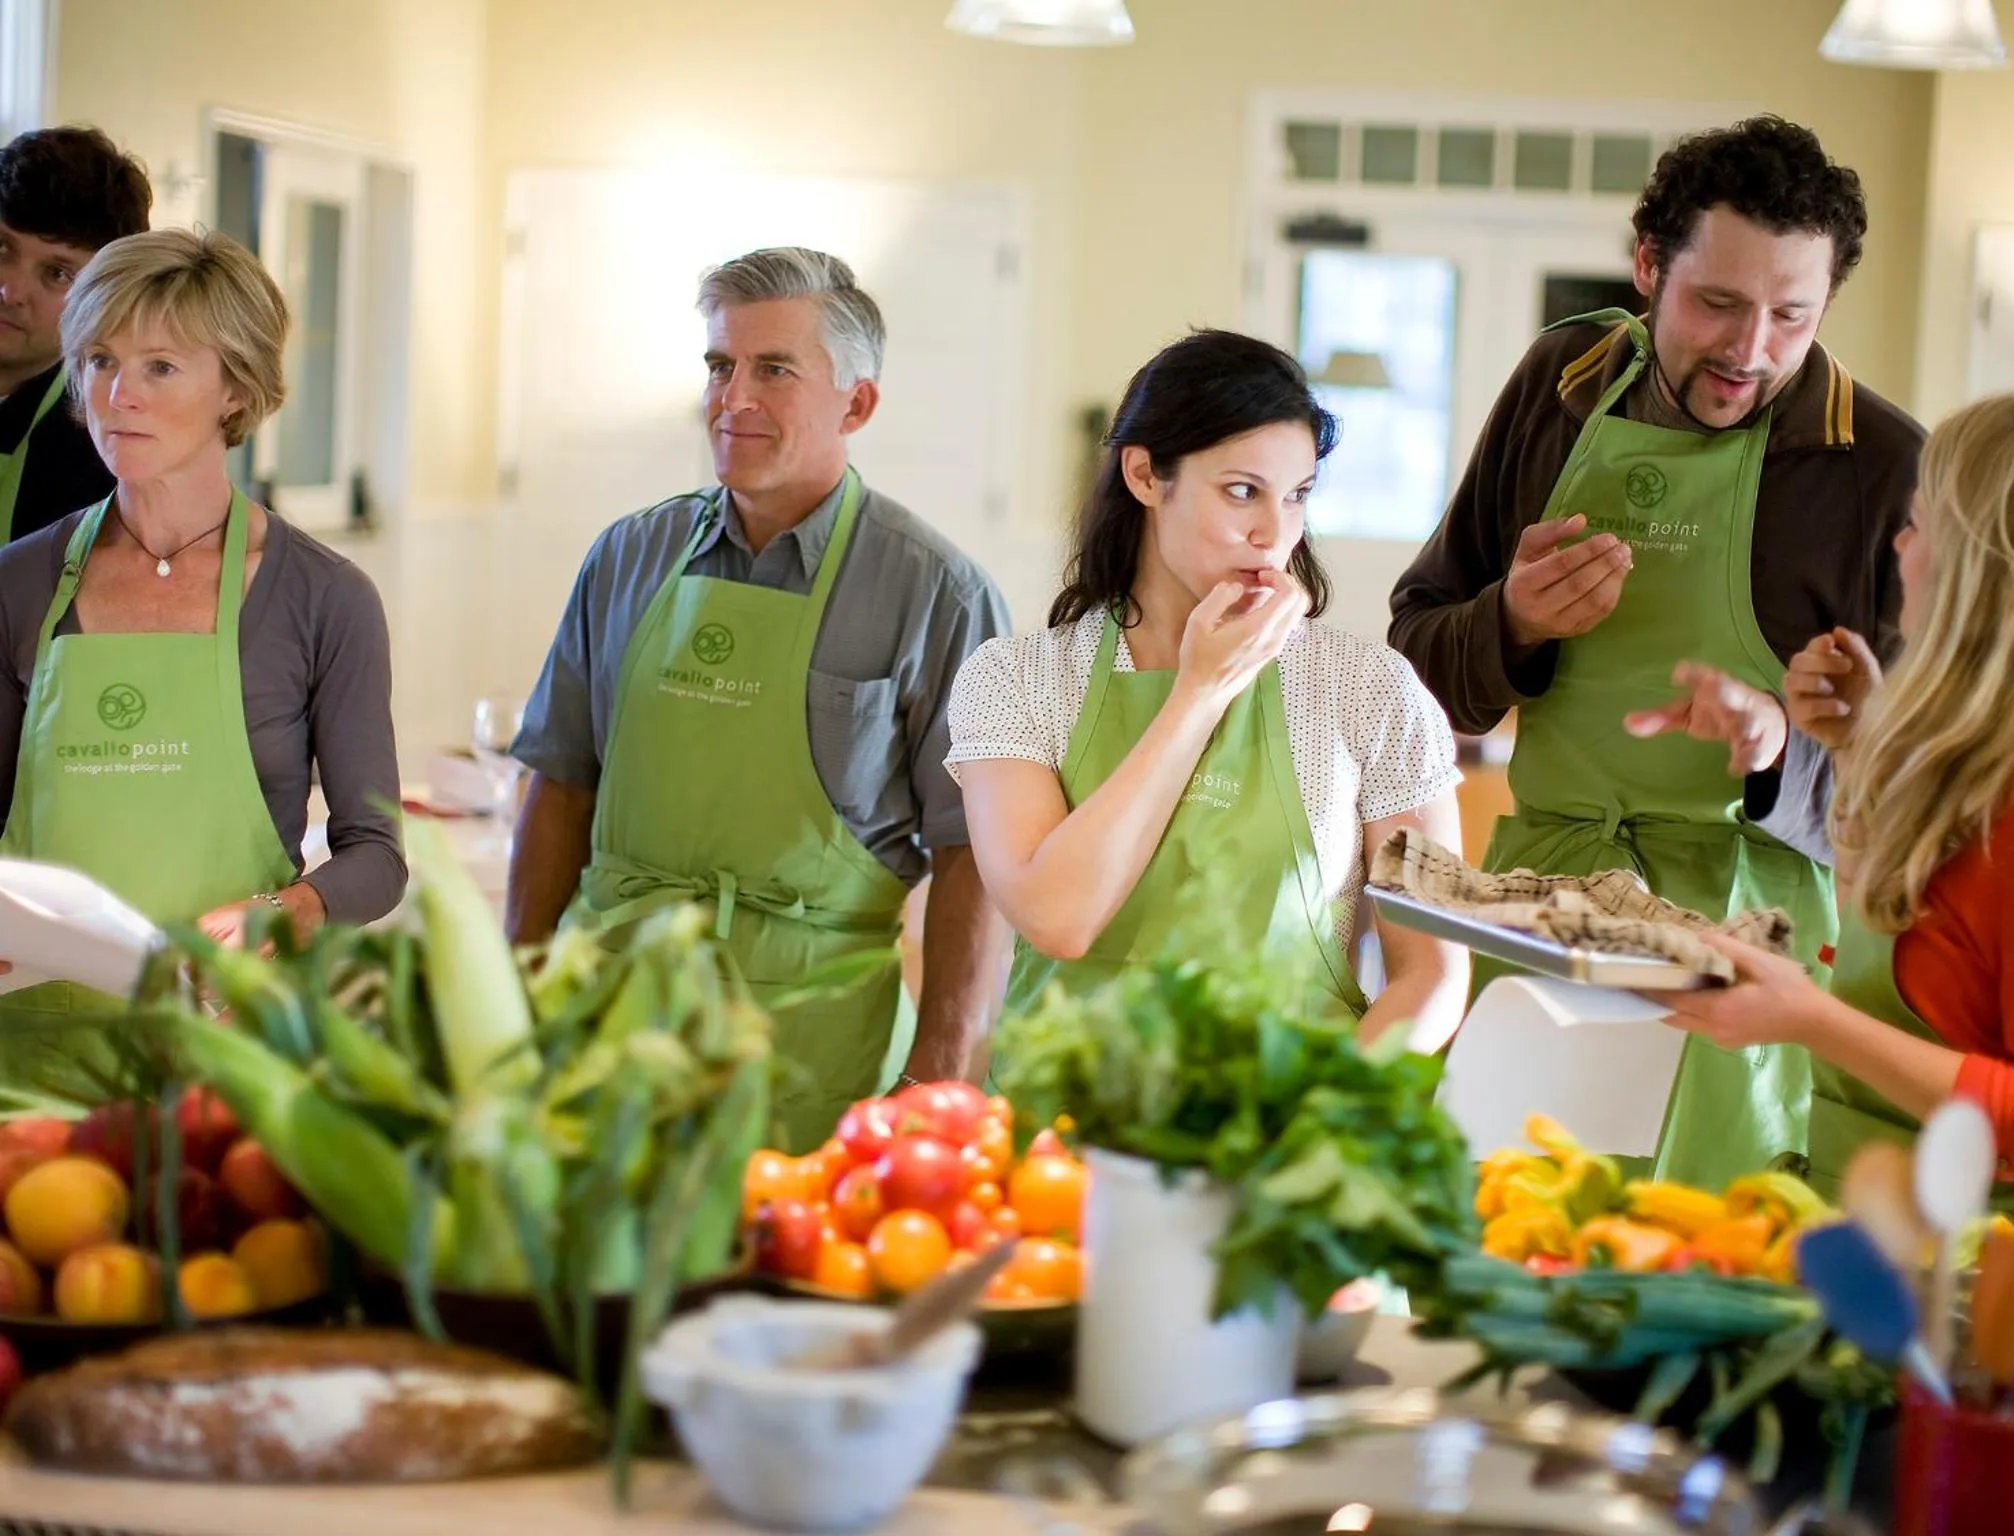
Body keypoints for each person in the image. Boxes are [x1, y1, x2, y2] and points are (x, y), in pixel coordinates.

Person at [1387, 116, 1925, 1188]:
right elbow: (1415, 659)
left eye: (1790, 316)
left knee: (1703, 1246)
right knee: (1497, 1231)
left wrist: (1780, 745)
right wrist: (1512, 622)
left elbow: (1914, 791)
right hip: (1538, 906)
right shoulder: (1558, 383)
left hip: (1750, 944)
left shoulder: (1881, 468)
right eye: (1714, 304)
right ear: (1645, 267)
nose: (1749, 351)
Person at [506, 246, 1013, 1152]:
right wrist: (517, 1000)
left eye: (773, 370)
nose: (732, 399)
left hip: (810, 1049)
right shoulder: (627, 556)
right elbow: (560, 787)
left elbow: (975, 853)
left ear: (857, 403)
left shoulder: (938, 592)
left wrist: (940, 1075)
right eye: (719, 366)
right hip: (607, 1024)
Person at [950, 329, 1467, 1045]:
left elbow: (1433, 972)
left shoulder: (1367, 688)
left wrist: (1325, 1115)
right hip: (1066, 1129)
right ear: (1144, 476)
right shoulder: (1016, 681)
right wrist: (1199, 692)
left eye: (1296, 496)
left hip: (1287, 1127)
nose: (1272, 533)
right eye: (1241, 492)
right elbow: (1057, 918)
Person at [1651, 393, 2014, 1214]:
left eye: (1919, 523)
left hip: (1970, 1293)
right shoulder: (1986, 769)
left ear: (1979, 568)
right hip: (1872, 1235)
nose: (1900, 547)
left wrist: (1806, 1019)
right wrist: (1862, 746)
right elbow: (1931, 936)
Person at [0, 229, 406, 1006]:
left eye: (160, 366)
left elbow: (376, 854)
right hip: (30, 1047)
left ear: (236, 389)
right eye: (100, 360)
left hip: (226, 1039)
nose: (121, 395)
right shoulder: (20, 582)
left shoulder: (324, 598)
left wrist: (290, 911)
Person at [0, 126, 152, 546]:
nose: (10, 292)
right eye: (2, 249)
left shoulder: (105, 451)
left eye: (57, 273)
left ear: (104, 296)